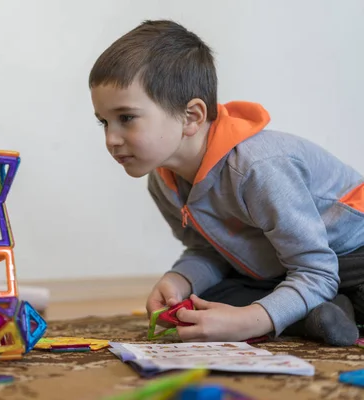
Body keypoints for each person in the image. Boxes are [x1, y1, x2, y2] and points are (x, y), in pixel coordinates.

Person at [88, 19, 364, 346]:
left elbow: (317, 269)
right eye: (103, 122)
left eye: (126, 118)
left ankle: (327, 308)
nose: (111, 139)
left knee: (265, 302)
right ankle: (323, 313)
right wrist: (180, 279)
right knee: (208, 298)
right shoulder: (162, 181)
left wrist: (248, 320)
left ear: (192, 117)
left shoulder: (257, 168)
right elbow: (209, 249)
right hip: (282, 265)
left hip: (347, 254)